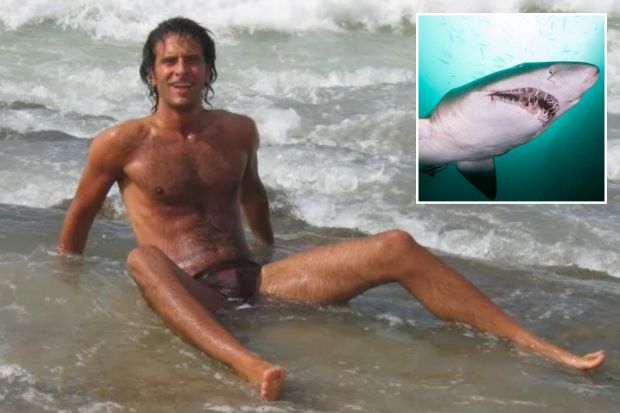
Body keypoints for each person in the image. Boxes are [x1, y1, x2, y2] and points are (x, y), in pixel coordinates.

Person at [57, 17, 606, 401]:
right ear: (151, 74)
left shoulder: (238, 131)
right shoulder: (119, 144)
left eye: (193, 60)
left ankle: (540, 346)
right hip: (189, 287)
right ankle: (249, 366)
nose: (182, 69)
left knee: (395, 245)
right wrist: (66, 287)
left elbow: (252, 196)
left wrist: (272, 250)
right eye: (169, 61)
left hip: (257, 281)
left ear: (208, 70)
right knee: (140, 260)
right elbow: (78, 220)